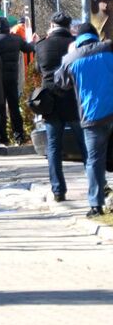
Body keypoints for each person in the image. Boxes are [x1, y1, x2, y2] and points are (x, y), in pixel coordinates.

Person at [54, 23, 113, 217]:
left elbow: (61, 83)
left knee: (94, 160)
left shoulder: (72, 58)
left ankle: (96, 205)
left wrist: (69, 54)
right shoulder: (110, 48)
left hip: (92, 116)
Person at [35, 12, 88, 201]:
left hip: (50, 102)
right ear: (68, 26)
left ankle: (58, 190)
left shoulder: (41, 45)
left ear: (51, 25)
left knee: (53, 148)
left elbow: (37, 69)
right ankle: (94, 185)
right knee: (85, 145)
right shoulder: (76, 43)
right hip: (74, 99)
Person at [0, 16, 34, 145]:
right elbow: (28, 48)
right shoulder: (17, 40)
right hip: (12, 79)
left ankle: (3, 137)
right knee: (14, 108)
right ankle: (19, 136)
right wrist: (34, 42)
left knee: (1, 109)